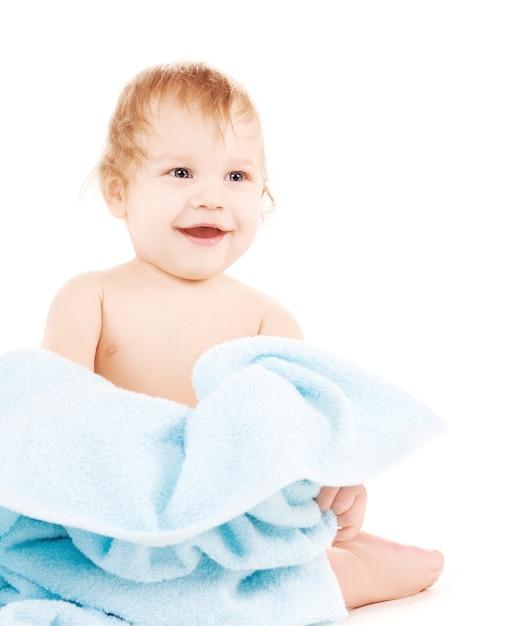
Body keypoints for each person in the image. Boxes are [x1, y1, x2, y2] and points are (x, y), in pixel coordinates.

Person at [41, 61, 444, 611]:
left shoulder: (265, 321)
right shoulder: (91, 297)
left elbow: (305, 434)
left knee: (286, 582)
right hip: (114, 521)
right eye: (181, 172)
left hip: (229, 529)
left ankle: (367, 565)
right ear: (118, 193)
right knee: (52, 568)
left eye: (236, 177)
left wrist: (338, 479)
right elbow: (47, 417)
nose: (211, 196)